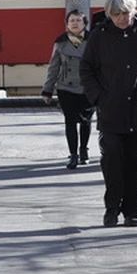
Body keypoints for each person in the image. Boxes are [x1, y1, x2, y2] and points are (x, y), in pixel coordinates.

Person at [80, 0, 137, 228]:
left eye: (125, 13)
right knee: (112, 161)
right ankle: (111, 208)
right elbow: (86, 69)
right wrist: (98, 97)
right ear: (109, 14)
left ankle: (132, 210)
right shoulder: (99, 36)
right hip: (110, 111)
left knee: (135, 162)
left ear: (133, 10)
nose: (121, 18)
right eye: (116, 14)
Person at [42, 9, 94, 169]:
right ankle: (73, 155)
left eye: (78, 20)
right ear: (67, 24)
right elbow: (53, 67)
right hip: (66, 87)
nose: (75, 23)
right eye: (72, 20)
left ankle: (84, 150)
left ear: (84, 24)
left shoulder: (93, 41)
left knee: (86, 121)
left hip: (87, 87)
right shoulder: (60, 42)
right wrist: (47, 89)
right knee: (70, 122)